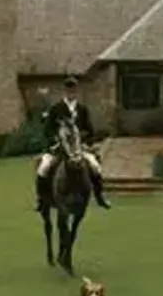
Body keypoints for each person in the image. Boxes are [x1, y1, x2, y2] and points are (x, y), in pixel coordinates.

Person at [35, 77, 112, 211]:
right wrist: (55, 139)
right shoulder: (56, 108)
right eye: (68, 91)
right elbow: (47, 129)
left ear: (76, 92)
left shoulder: (82, 109)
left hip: (79, 148)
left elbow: (89, 129)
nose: (71, 94)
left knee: (95, 166)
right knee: (43, 168)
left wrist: (84, 141)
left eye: (73, 91)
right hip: (59, 147)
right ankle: (42, 200)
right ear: (64, 92)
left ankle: (100, 196)